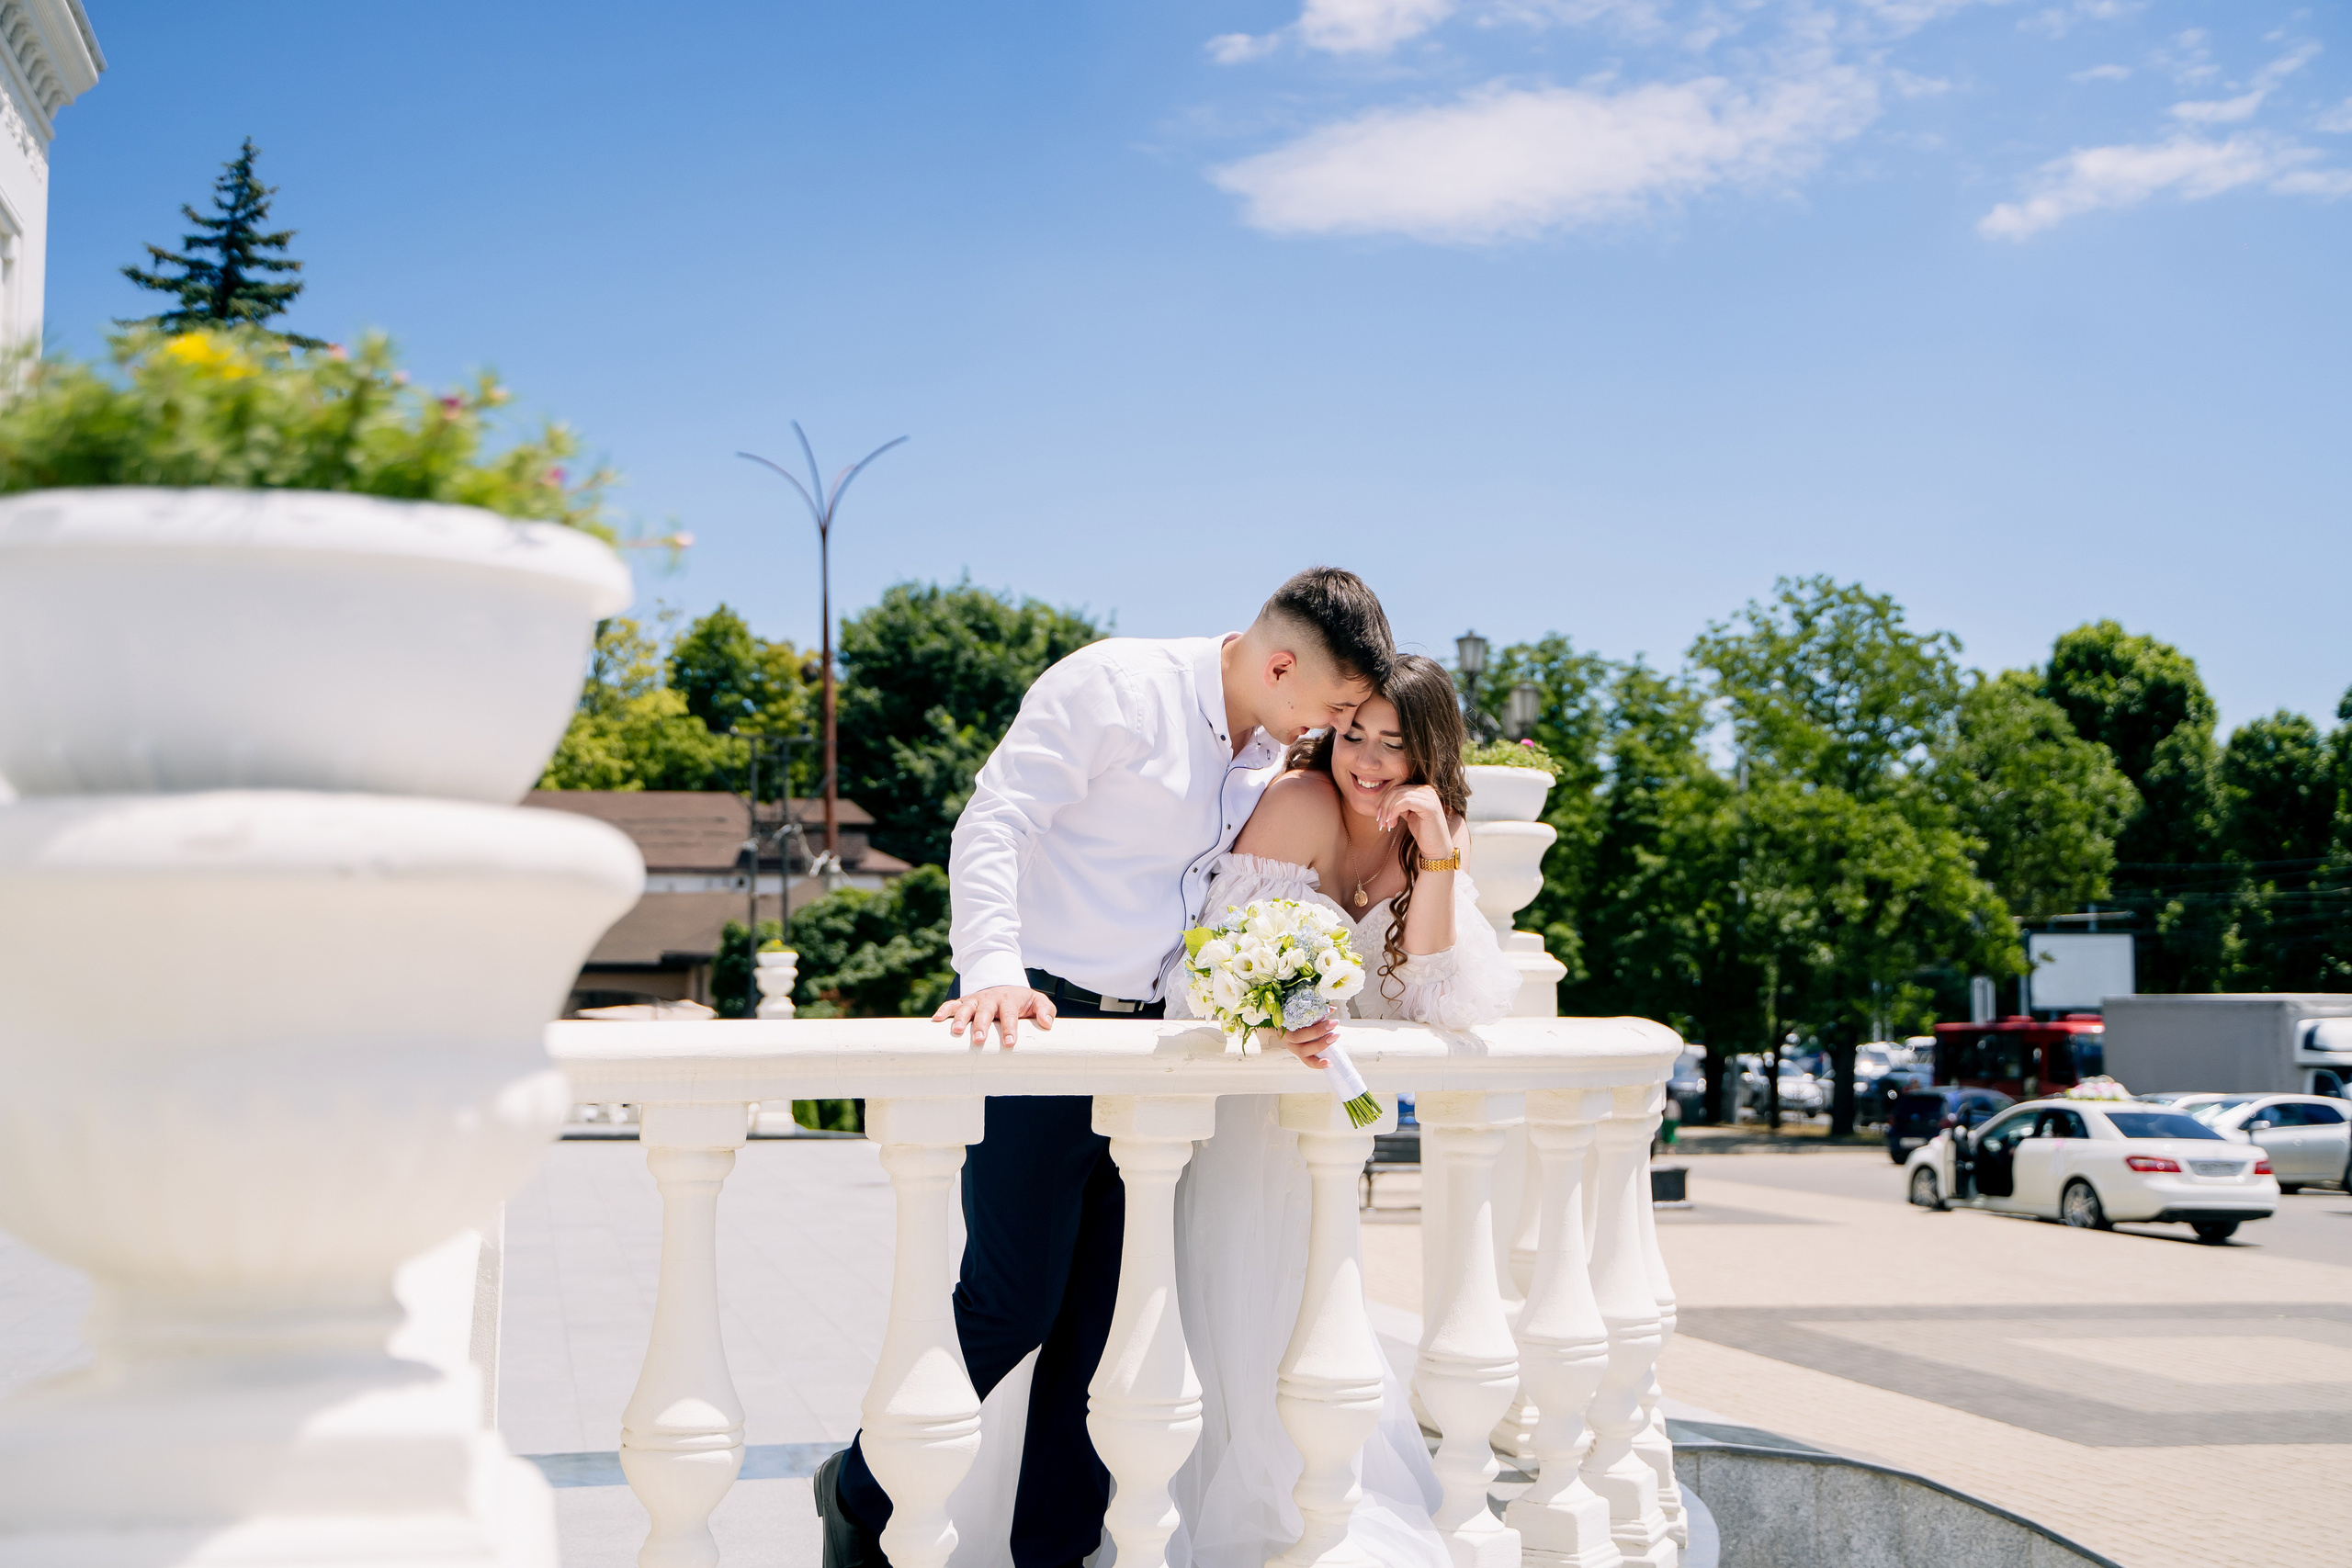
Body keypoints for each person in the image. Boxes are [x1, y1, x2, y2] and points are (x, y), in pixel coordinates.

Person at [816, 567, 1396, 1568]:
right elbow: (996, 819)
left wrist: (1291, 998)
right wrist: (992, 972)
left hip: (1156, 1056)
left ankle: (1056, 1555)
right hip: (1040, 1024)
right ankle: (859, 1491)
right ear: (1280, 665)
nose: (1338, 728)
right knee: (1011, 1300)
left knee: (1103, 1325)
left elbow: (1234, 907)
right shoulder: (1115, 686)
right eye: (1336, 707)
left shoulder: (1271, 754)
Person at [1160, 653, 1520, 1568]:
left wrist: (1436, 856)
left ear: (1430, 751)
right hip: (1243, 1116)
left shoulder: (1438, 831)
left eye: (1393, 744)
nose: (1366, 761)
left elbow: (1438, 999)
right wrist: (1280, 1007)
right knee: (1227, 1294)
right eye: (1353, 735)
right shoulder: (1299, 802)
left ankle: (1306, 1511)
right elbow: (1209, 961)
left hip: (1323, 1138)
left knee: (1310, 1307)